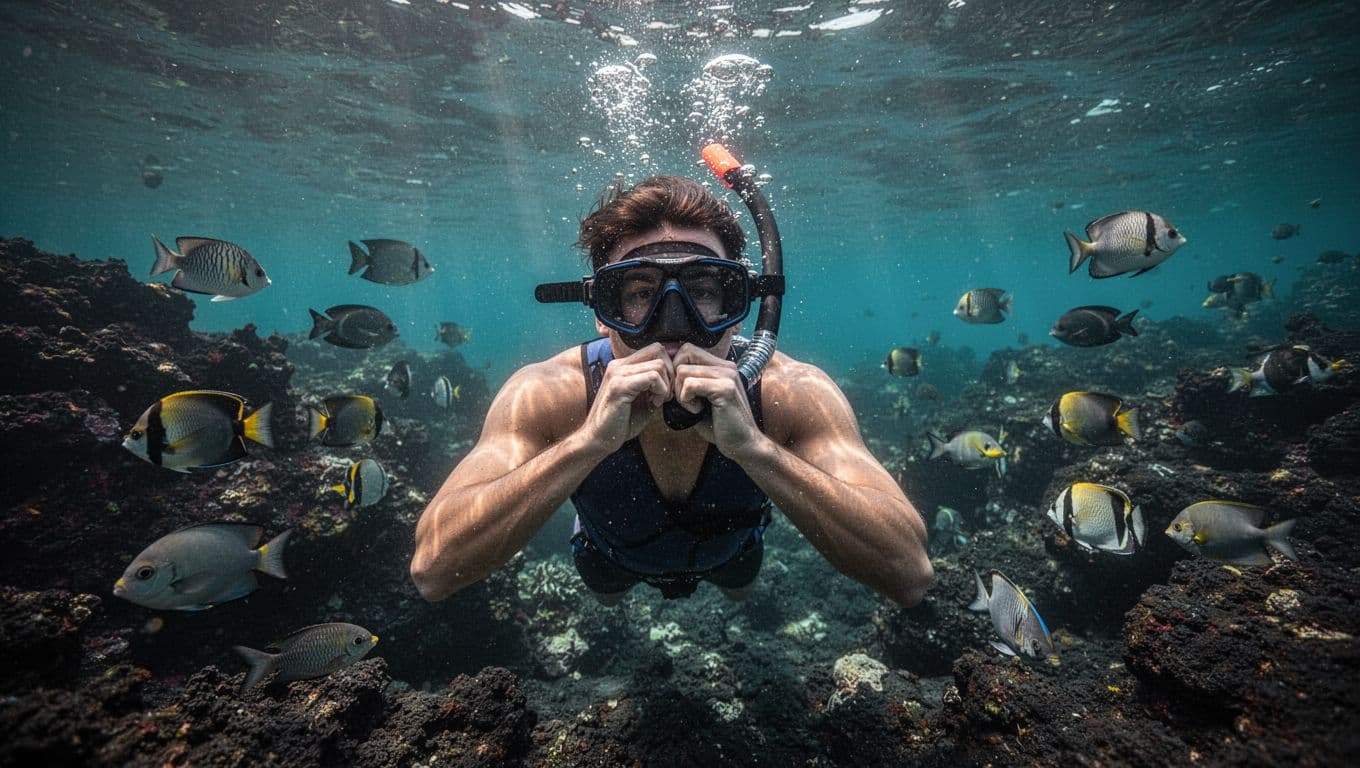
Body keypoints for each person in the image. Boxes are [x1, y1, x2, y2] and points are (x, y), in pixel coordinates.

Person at [411, 175, 932, 606]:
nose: (673, 325)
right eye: (639, 295)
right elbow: (433, 570)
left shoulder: (789, 393)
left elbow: (909, 572)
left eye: (705, 291)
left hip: (733, 552)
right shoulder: (554, 394)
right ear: (600, 312)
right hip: (608, 555)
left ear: (743, 303)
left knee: (740, 587)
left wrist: (755, 449)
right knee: (609, 594)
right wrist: (587, 442)